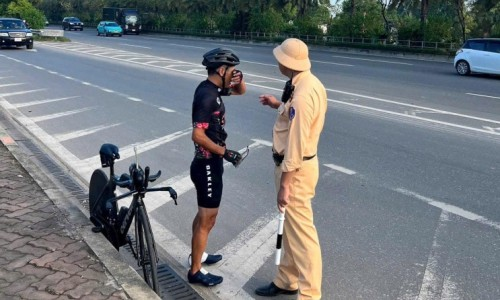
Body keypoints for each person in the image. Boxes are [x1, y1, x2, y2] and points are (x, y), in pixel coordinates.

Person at [255, 38, 327, 299]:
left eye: (279, 58)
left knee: (303, 237)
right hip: (296, 167)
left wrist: (285, 185)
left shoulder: (304, 94)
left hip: (295, 171)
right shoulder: (307, 83)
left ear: (288, 63)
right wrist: (278, 105)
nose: (277, 62)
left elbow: (296, 144)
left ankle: (309, 295)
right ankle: (287, 279)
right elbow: (297, 118)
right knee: (291, 229)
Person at [188, 48, 247, 286]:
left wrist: (239, 80)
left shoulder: (215, 89)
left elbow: (241, 92)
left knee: (205, 216)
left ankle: (198, 255)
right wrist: (226, 152)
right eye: (231, 70)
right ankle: (195, 271)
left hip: (210, 164)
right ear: (221, 70)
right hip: (206, 166)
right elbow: (197, 135)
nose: (233, 74)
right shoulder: (206, 95)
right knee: (207, 219)